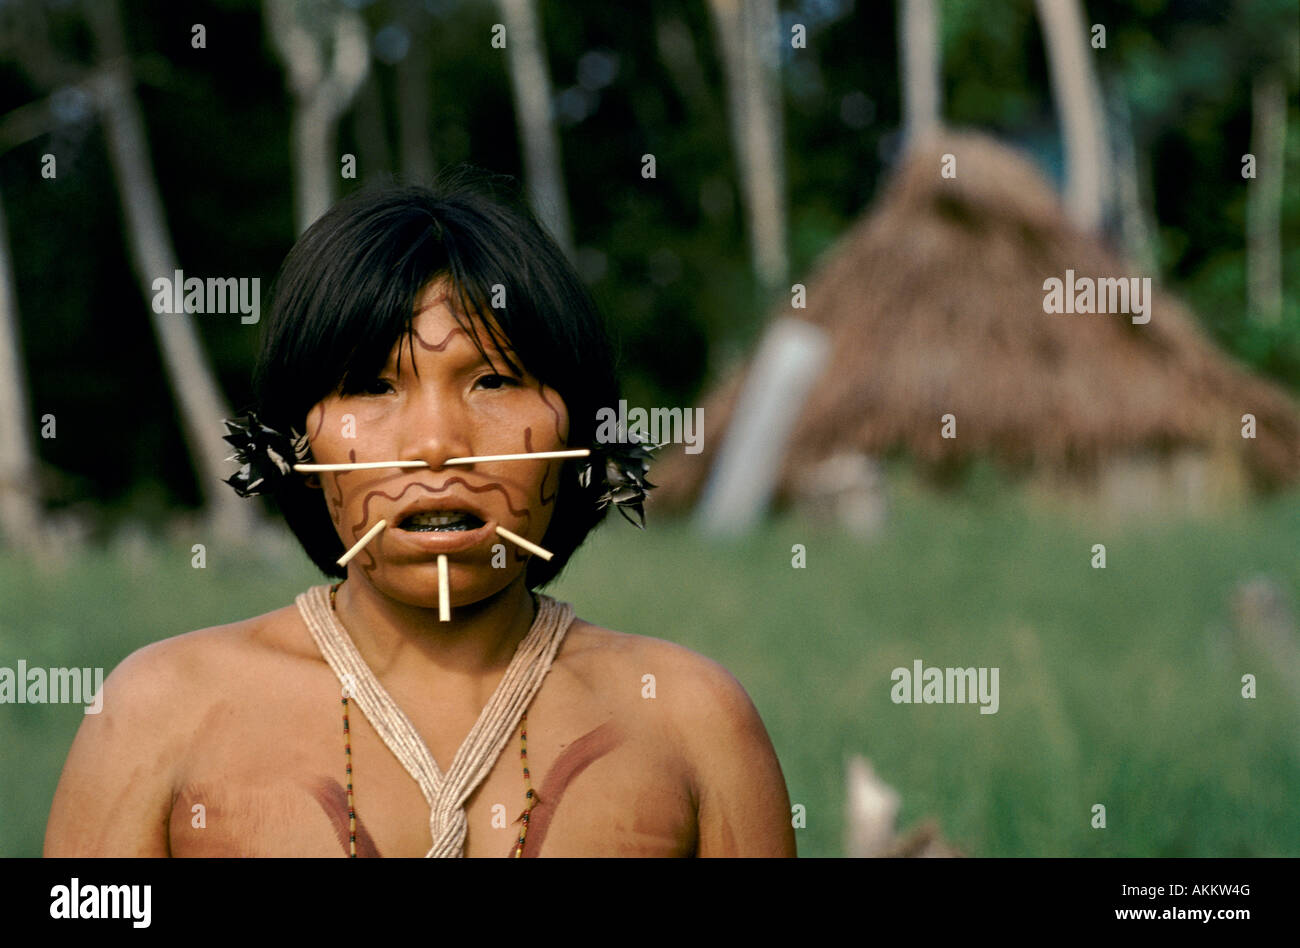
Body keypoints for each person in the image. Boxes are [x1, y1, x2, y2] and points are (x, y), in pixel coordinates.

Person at [44, 172, 795, 857]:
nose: (436, 446)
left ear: (582, 438)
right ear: (293, 446)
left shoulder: (691, 721)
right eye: (372, 386)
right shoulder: (160, 712)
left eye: (494, 380)